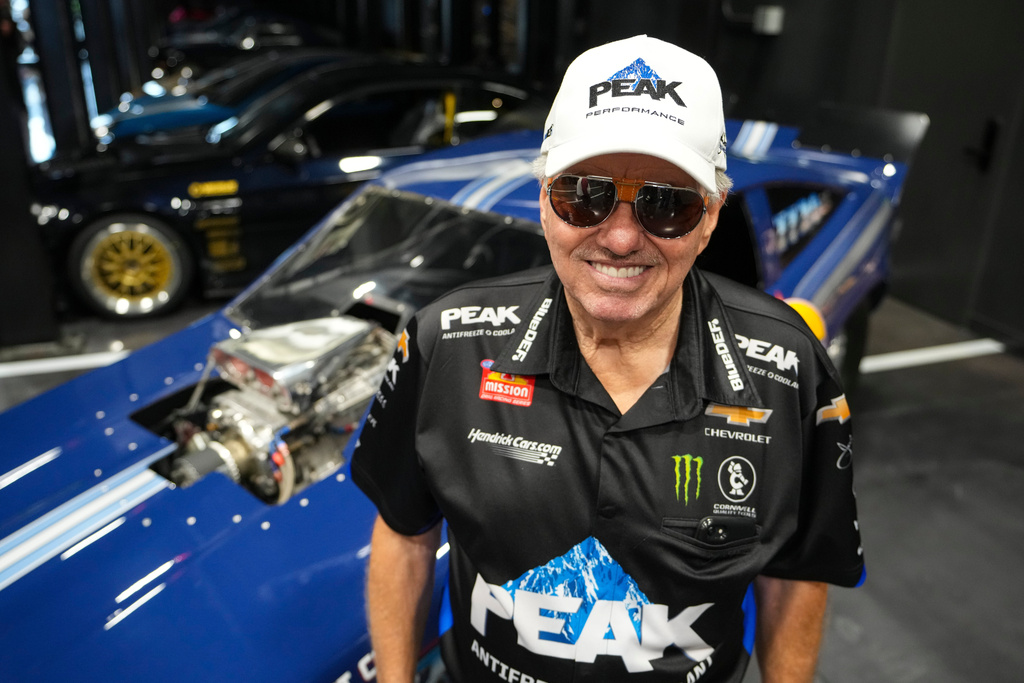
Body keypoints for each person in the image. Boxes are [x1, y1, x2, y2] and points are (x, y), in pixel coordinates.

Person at [351, 34, 863, 683]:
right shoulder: (447, 340)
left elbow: (795, 572)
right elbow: (403, 533)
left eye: (667, 203)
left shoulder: (788, 367)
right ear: (544, 201)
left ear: (709, 219)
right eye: (584, 195)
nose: (620, 237)